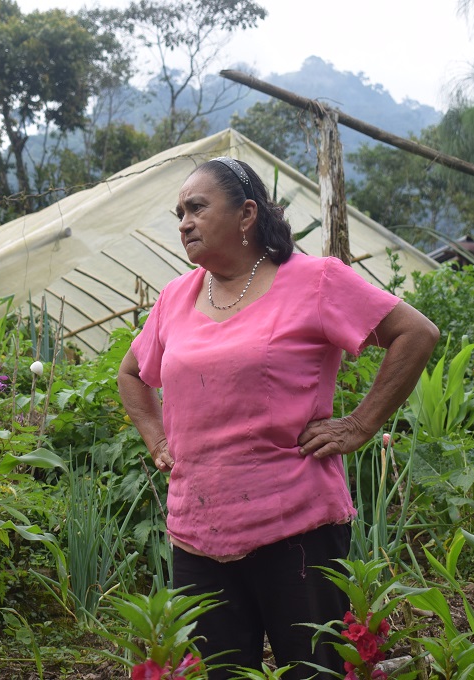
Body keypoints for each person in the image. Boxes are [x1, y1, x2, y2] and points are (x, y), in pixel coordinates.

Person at [117, 156, 439, 679]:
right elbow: (131, 373)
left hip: (297, 530)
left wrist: (359, 425)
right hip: (197, 535)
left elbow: (416, 333)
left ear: (246, 214)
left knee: (314, 672)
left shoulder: (315, 281)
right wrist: (157, 440)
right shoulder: (178, 296)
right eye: (180, 212)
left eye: (197, 207)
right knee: (218, 673)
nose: (184, 222)